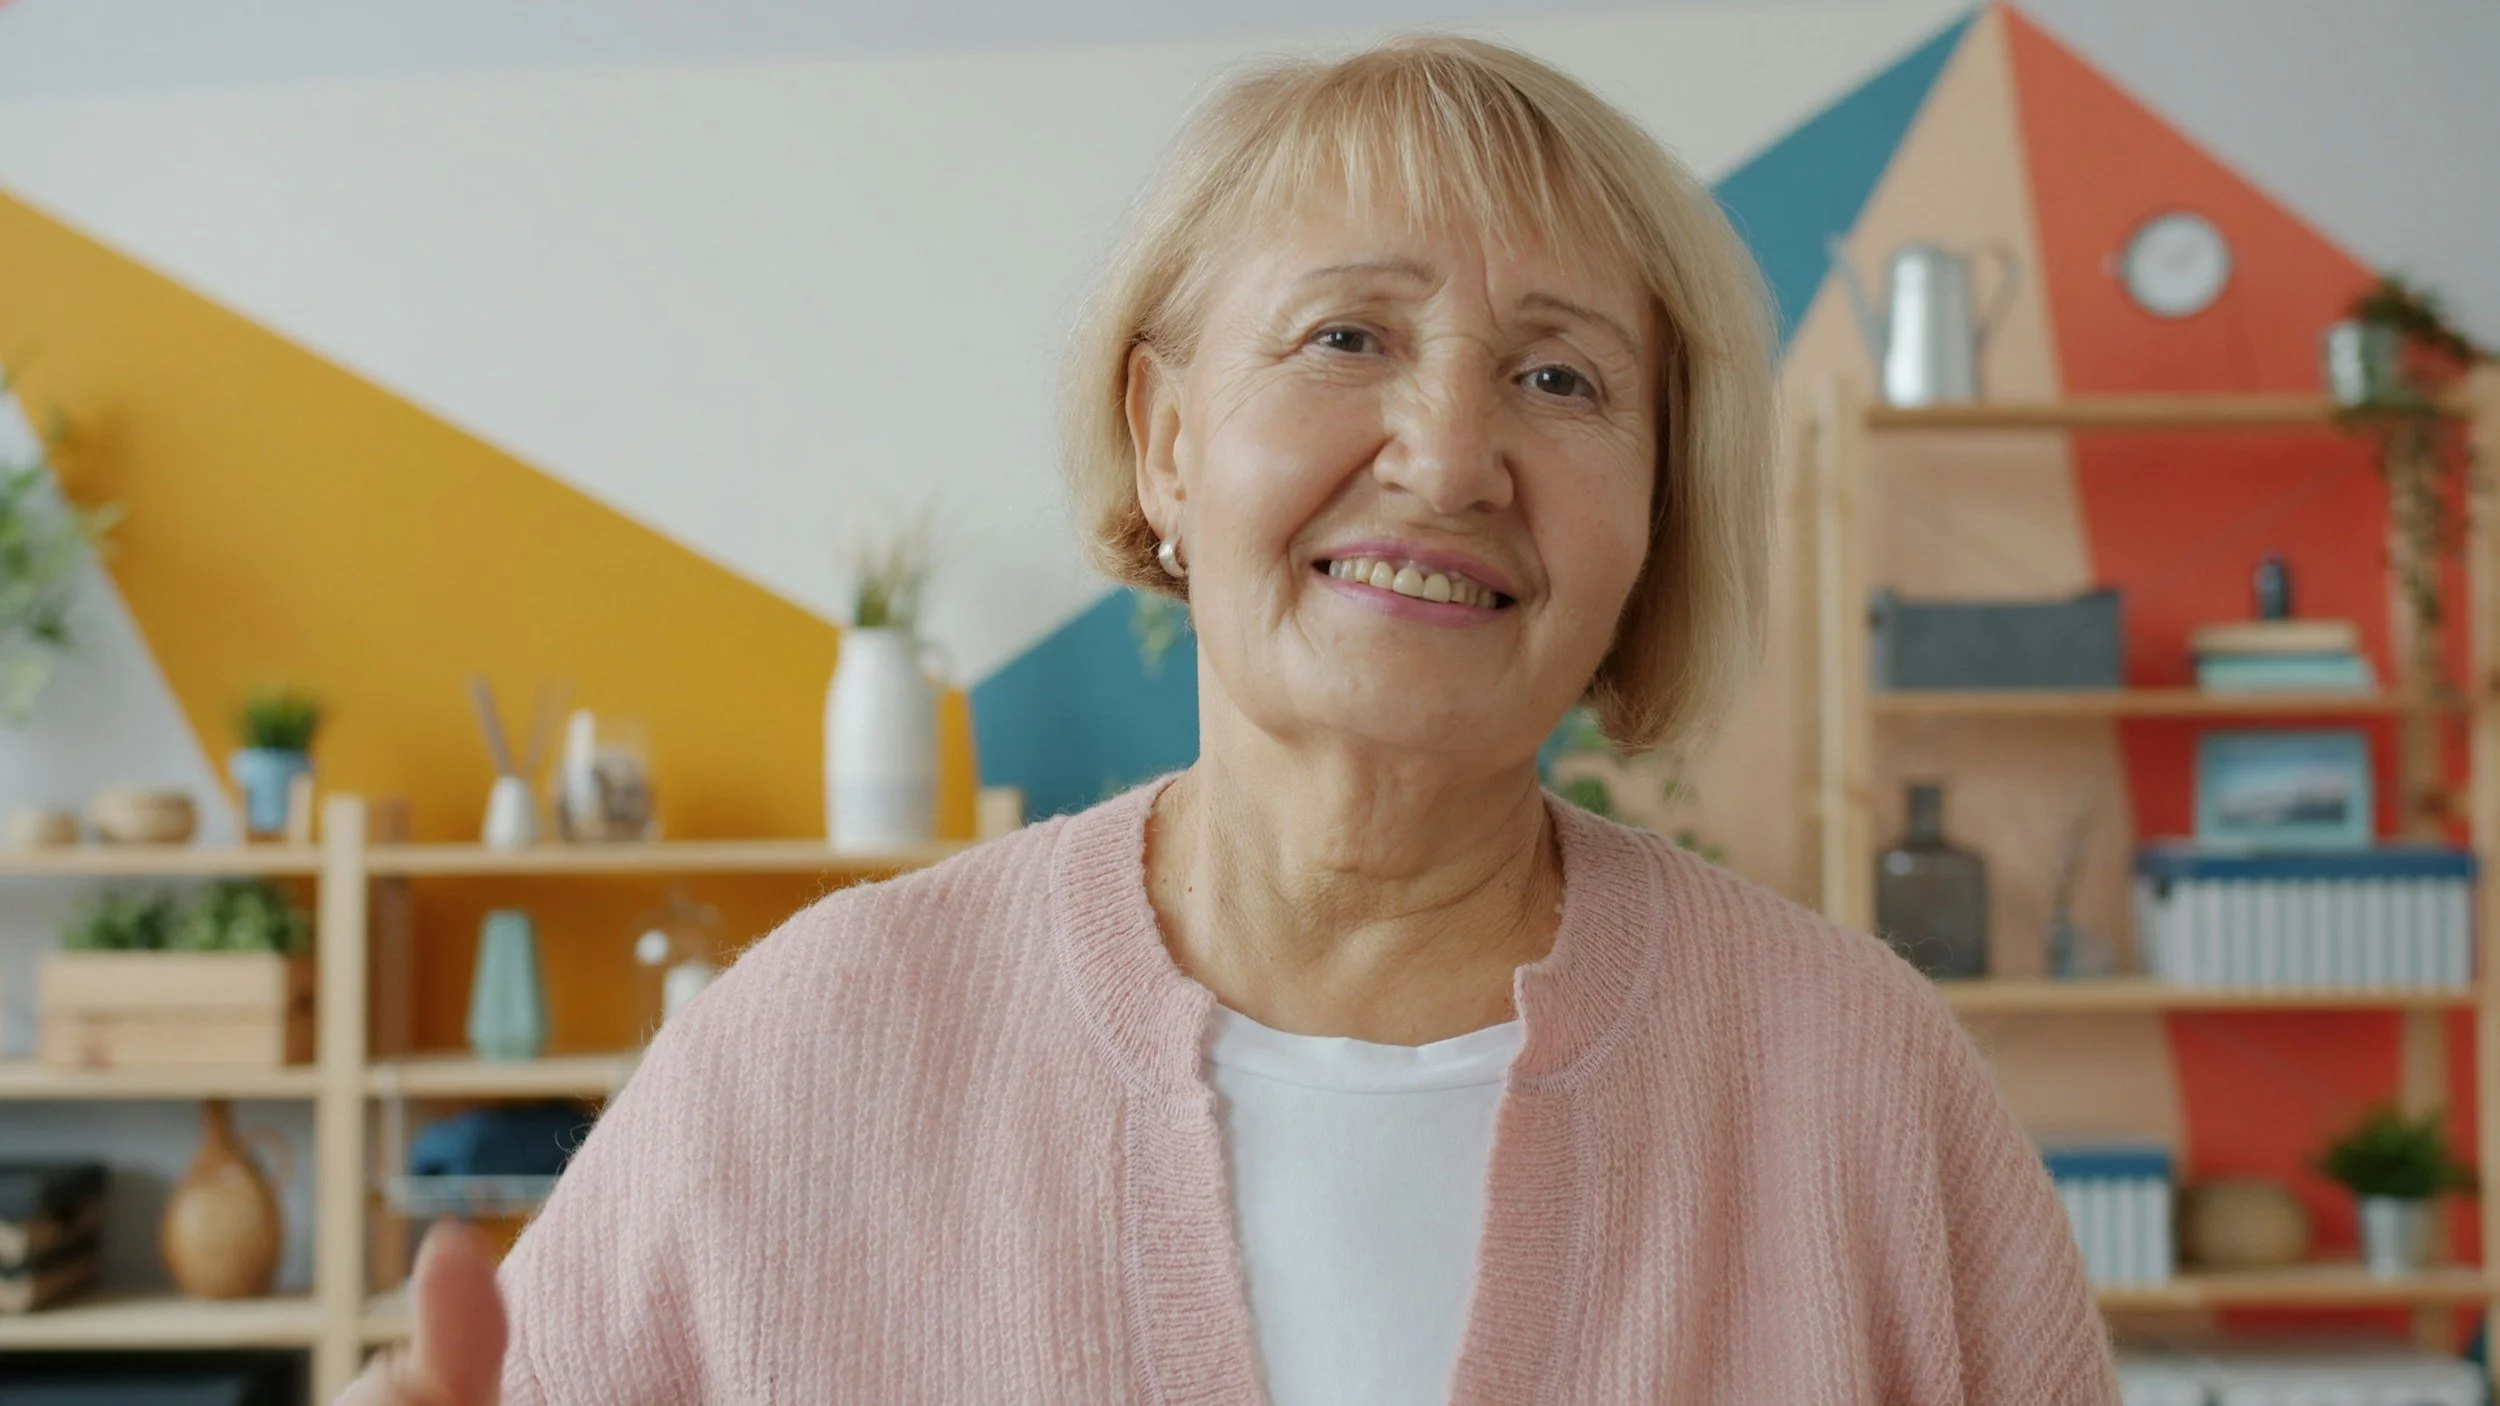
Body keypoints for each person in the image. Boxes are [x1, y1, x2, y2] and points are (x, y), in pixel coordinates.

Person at [345, 32, 2118, 1405]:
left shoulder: (1861, 1082)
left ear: (1655, 511)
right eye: (1348, 336)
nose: (1444, 455)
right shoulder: (814, 1047)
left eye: (1560, 376)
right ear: (1168, 438)